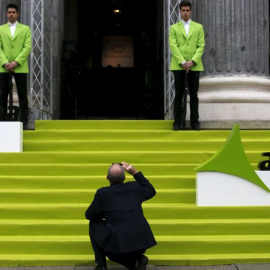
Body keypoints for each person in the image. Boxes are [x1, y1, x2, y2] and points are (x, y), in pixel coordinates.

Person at [85, 162, 157, 270]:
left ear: (107, 177)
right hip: (140, 243)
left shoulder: (103, 193)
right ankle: (136, 261)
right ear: (124, 177)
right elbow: (151, 191)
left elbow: (89, 215)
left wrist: (104, 213)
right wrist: (135, 173)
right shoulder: (135, 187)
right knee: (126, 255)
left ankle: (101, 265)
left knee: (94, 223)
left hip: (118, 247)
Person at [169, 0, 205, 131]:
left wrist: (192, 61)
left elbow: (201, 45)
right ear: (179, 11)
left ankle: (195, 121)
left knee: (194, 94)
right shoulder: (174, 27)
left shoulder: (198, 27)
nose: (185, 13)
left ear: (190, 11)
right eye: (183, 10)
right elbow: (173, 45)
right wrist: (183, 62)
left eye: (187, 10)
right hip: (179, 65)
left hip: (195, 65)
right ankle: (177, 122)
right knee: (178, 94)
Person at [0, 3, 32, 130]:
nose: (11, 14)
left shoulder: (25, 29)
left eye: (13, 12)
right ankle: (1, 119)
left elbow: (27, 47)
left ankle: (24, 120)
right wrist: (5, 62)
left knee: (22, 94)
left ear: (17, 14)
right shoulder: (1, 29)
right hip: (3, 66)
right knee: (3, 94)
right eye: (9, 12)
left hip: (20, 66)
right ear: (6, 14)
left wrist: (16, 62)